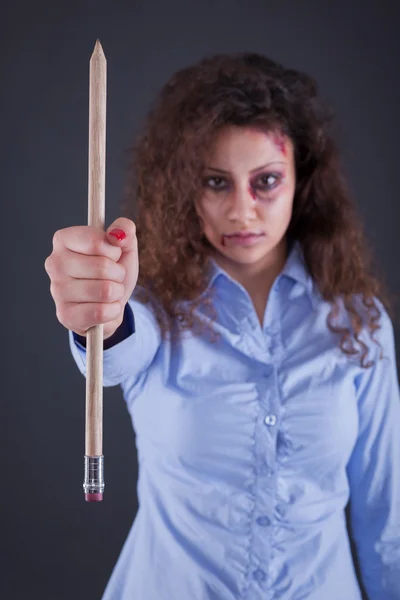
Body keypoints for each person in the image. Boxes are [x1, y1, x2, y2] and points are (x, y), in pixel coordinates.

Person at [44, 53, 400, 599]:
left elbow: (385, 523)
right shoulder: (157, 307)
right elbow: (115, 349)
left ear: (302, 177)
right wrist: (101, 310)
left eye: (266, 181)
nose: (242, 211)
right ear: (185, 187)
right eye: (216, 182)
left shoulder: (359, 321)